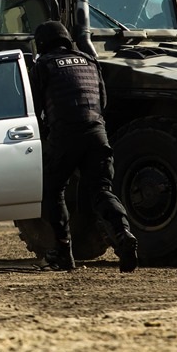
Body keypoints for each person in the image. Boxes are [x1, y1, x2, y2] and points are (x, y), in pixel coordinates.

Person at [28, 20, 138, 273]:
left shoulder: (43, 65)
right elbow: (103, 101)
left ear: (42, 43)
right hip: (96, 133)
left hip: (64, 135)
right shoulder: (90, 61)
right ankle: (124, 235)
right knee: (101, 190)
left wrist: (45, 136)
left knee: (53, 191)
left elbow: (34, 108)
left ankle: (63, 252)